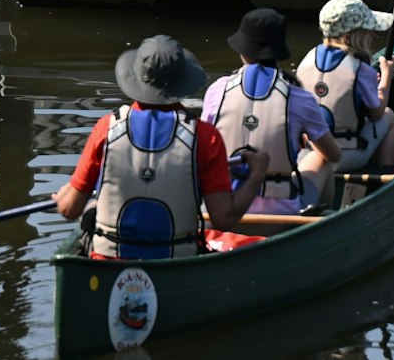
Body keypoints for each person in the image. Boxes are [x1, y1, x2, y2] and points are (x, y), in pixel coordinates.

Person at [53, 34, 268, 260]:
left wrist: (64, 196)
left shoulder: (106, 128)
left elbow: (69, 209)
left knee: (89, 213)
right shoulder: (205, 137)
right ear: (182, 81)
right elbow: (224, 218)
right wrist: (257, 174)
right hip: (176, 264)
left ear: (137, 77)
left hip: (109, 265)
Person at [203, 9, 343, 215]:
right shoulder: (299, 97)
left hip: (221, 211)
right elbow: (334, 154)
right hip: (278, 217)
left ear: (243, 51)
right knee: (320, 159)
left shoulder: (217, 90)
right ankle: (321, 221)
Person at [296, 0, 394, 172]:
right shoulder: (361, 69)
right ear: (350, 36)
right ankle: (386, 176)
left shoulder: (306, 60)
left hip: (307, 154)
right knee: (389, 116)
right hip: (344, 158)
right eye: (368, 30)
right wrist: (387, 76)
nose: (373, 34)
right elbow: (376, 113)